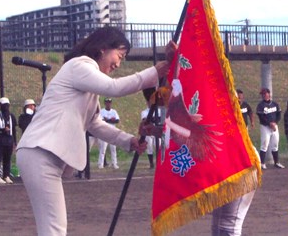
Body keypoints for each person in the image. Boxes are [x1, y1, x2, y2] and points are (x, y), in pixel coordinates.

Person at [16, 26, 176, 236]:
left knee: (53, 227)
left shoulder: (87, 82)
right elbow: (114, 88)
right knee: (54, 228)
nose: (119, 63)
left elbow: (95, 124)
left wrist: (129, 141)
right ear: (102, 48)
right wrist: (155, 72)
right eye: (119, 55)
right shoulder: (79, 66)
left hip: (44, 153)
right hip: (40, 152)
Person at [256, 87, 285, 169]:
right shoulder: (260, 105)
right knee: (264, 145)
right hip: (265, 127)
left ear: (269, 94)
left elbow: (279, 115)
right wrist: (269, 123)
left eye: (265, 93)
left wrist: (275, 123)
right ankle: (262, 163)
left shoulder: (275, 104)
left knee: (275, 144)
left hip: (274, 126)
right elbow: (261, 117)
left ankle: (276, 162)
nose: (264, 95)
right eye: (263, 94)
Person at [0, 97, 17, 184]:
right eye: (3, 106)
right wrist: (2, 130)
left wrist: (14, 142)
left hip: (9, 140)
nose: (5, 107)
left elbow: (14, 129)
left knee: (7, 159)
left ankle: (6, 175)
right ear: (0, 106)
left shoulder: (11, 116)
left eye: (7, 105)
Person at [98, 98, 120, 169]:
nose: (108, 104)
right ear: (105, 103)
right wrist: (110, 120)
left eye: (109, 102)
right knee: (103, 149)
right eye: (107, 102)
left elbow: (117, 120)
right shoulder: (102, 111)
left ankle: (114, 163)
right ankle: (100, 164)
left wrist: (108, 120)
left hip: (112, 132)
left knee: (113, 149)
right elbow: (102, 121)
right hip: (104, 131)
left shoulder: (114, 111)